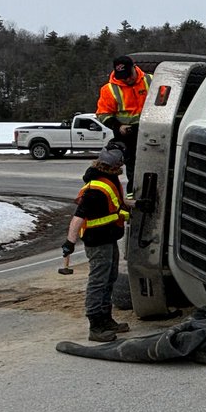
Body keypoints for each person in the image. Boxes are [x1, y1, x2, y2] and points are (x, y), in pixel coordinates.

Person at [62, 144, 131, 342]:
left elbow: (117, 204)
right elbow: (78, 217)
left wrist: (135, 205)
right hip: (97, 242)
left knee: (110, 278)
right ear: (115, 164)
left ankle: (106, 319)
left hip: (108, 238)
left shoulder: (109, 180)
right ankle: (95, 325)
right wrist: (69, 243)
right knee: (98, 282)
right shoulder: (94, 189)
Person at [97, 54, 150, 185]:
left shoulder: (151, 80)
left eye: (129, 74)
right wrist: (118, 127)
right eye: (123, 76)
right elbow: (103, 114)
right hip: (127, 134)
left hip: (151, 130)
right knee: (132, 164)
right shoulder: (109, 89)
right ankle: (133, 193)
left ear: (134, 67)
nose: (127, 79)